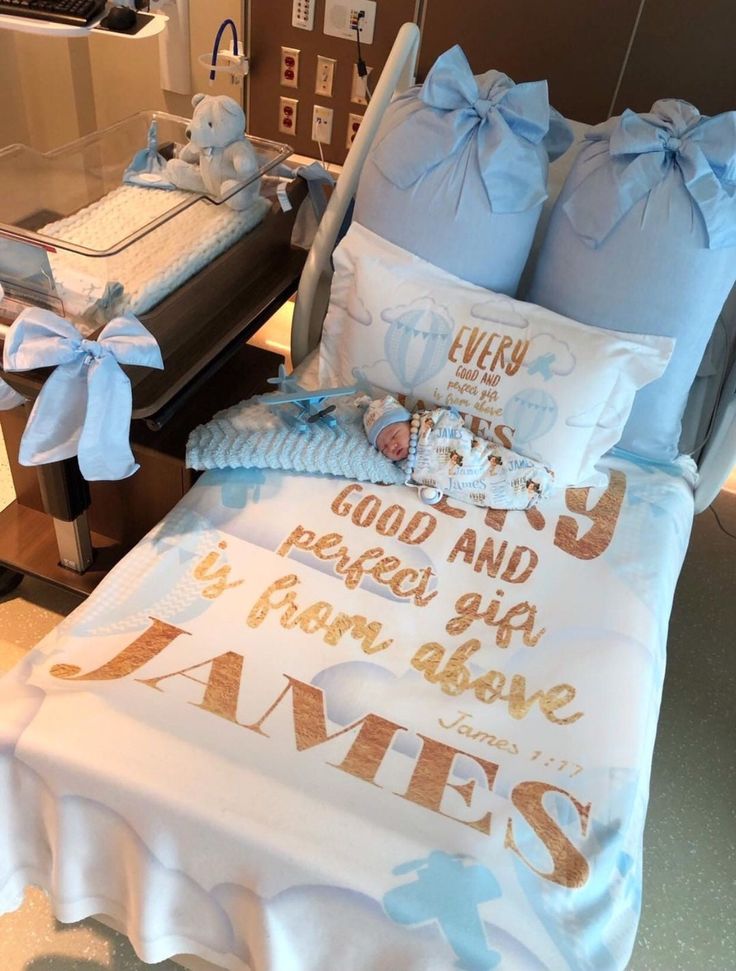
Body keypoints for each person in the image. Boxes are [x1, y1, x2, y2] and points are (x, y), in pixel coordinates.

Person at [362, 394, 554, 510]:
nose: (392, 446)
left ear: (408, 421)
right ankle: (523, 493)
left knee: (492, 466)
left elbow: (454, 432)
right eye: (384, 447)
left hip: (474, 459)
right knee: (485, 488)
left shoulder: (429, 427)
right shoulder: (403, 468)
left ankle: (535, 477)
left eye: (394, 435)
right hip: (464, 485)